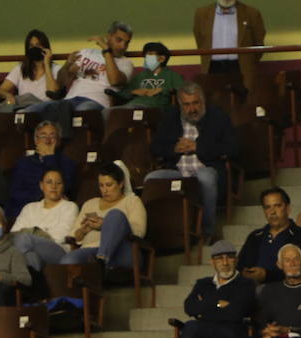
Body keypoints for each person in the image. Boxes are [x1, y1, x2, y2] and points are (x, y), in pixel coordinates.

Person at [147, 83, 240, 244]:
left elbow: (233, 148)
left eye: (195, 103)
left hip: (205, 168)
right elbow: (155, 147)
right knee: (151, 179)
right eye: (187, 105)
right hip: (177, 170)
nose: (192, 109)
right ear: (180, 105)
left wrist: (198, 147)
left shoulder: (218, 117)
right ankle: (159, 236)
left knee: (206, 178)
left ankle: (207, 232)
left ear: (203, 102)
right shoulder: (170, 117)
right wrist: (174, 148)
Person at [28, 22, 133, 134]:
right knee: (29, 111)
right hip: (69, 101)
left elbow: (115, 81)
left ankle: (65, 142)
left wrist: (106, 51)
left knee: (83, 111)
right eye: (119, 40)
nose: (123, 46)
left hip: (96, 102)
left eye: (126, 43)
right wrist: (67, 64)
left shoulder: (125, 63)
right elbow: (62, 83)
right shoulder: (87, 53)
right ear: (108, 37)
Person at [175, 240, 257, 338]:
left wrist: (204, 308)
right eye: (219, 258)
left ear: (236, 261)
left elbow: (236, 313)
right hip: (204, 334)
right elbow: (189, 307)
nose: (225, 263)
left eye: (229, 257)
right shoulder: (203, 283)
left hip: (231, 335)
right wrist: (218, 304)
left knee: (192, 326)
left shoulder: (246, 284)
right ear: (212, 262)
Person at [64, 161, 146, 271]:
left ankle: (101, 261)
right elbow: (74, 236)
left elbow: (139, 232)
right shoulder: (90, 204)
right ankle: (99, 264)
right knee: (67, 261)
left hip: (121, 250)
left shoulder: (132, 201)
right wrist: (83, 230)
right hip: (90, 250)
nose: (104, 190)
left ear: (121, 184)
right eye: (101, 185)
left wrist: (106, 225)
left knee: (115, 214)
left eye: (109, 185)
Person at [238, 188, 301, 284]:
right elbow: (239, 266)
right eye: (267, 207)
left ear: (288, 208)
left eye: (277, 206)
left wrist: (266, 275)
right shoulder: (255, 236)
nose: (272, 212)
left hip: (287, 290)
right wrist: (245, 273)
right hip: (252, 289)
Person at [10, 170, 79, 272]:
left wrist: (31, 234)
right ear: (41, 185)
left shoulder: (70, 207)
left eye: (58, 183)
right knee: (31, 257)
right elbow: (14, 234)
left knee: (24, 238)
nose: (54, 186)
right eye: (49, 182)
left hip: (57, 250)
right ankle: (35, 286)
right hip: (30, 248)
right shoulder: (30, 207)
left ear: (63, 186)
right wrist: (38, 233)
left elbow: (61, 236)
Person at [7, 121, 76, 218]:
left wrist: (50, 158)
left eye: (52, 136)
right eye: (43, 136)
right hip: (27, 209)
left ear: (58, 141)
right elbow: (15, 192)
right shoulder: (23, 163)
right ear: (36, 140)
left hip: (54, 210)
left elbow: (64, 187)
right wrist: (41, 197)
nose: (47, 141)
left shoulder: (67, 163)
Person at [193, 0, 267, 91]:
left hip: (240, 68)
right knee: (214, 103)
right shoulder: (201, 14)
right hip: (212, 68)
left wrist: (247, 61)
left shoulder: (251, 13)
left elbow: (258, 43)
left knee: (242, 102)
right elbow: (200, 41)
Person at [0, 30, 59, 121]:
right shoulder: (20, 68)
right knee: (0, 113)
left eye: (37, 45)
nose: (34, 48)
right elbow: (0, 90)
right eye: (31, 46)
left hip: (44, 109)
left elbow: (52, 92)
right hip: (22, 107)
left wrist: (47, 64)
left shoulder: (56, 69)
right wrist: (8, 95)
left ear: (45, 47)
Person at [114, 41, 184, 109]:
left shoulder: (173, 76)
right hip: (133, 105)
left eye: (150, 55)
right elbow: (123, 94)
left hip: (156, 109)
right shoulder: (140, 76)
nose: (147, 58)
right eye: (145, 56)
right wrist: (134, 92)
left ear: (162, 58)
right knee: (110, 113)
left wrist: (162, 90)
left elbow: (183, 92)